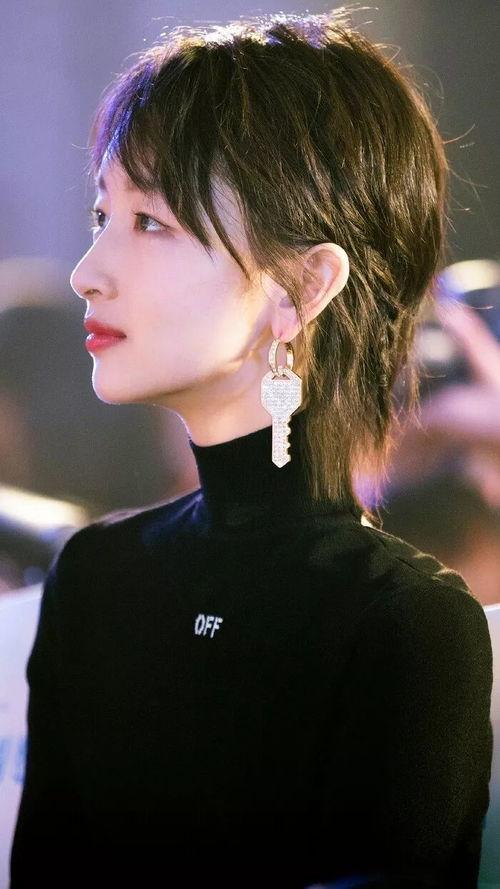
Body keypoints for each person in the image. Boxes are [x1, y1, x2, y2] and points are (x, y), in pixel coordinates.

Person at [9, 9, 493, 889]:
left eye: (150, 221)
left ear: (302, 287)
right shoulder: (96, 577)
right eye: (101, 213)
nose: (87, 271)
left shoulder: (404, 627)